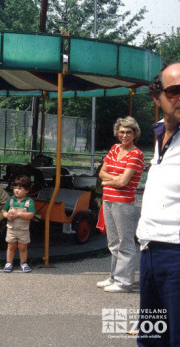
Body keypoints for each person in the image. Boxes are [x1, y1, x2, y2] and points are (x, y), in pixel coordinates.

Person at [136, 62, 180, 346]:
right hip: (149, 252)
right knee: (151, 338)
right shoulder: (158, 133)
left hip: (177, 255)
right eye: (175, 91)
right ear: (157, 96)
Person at [96, 116, 144, 293]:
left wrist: (108, 181)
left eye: (128, 132)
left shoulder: (136, 154)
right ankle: (114, 277)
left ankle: (124, 282)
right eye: (122, 131)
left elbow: (124, 182)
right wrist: (111, 180)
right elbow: (101, 172)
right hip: (108, 200)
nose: (124, 135)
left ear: (135, 134)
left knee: (125, 242)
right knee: (113, 241)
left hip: (123, 203)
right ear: (117, 133)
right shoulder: (115, 149)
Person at [1, 175, 35, 273]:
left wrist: (19, 214)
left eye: (19, 189)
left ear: (27, 190)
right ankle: (9, 262)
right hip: (11, 229)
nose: (16, 190)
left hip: (23, 230)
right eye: (15, 188)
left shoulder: (29, 202)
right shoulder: (11, 200)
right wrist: (7, 215)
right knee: (11, 246)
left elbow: (31, 215)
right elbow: (3, 211)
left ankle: (23, 263)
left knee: (23, 247)